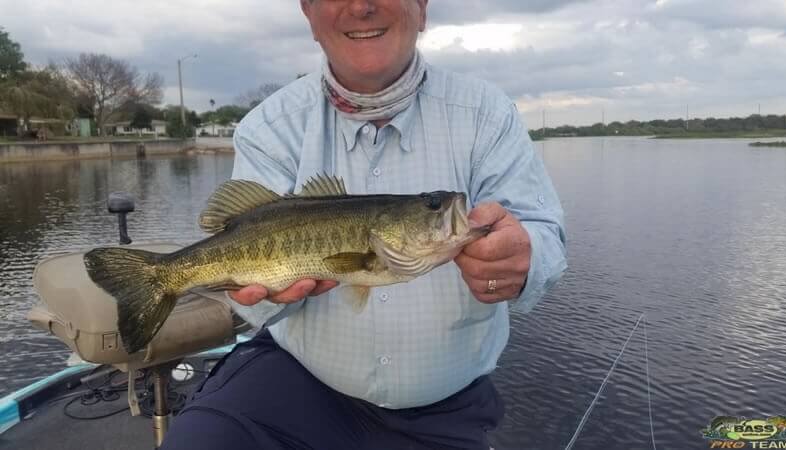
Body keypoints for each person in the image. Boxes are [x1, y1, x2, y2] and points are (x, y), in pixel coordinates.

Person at [162, 1, 566, 449]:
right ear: (309, 14)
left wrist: (525, 257)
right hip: (296, 383)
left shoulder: (488, 114)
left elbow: (544, 233)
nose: (361, 5)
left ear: (423, 9)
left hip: (447, 408)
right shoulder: (268, 127)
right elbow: (252, 288)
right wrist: (258, 298)